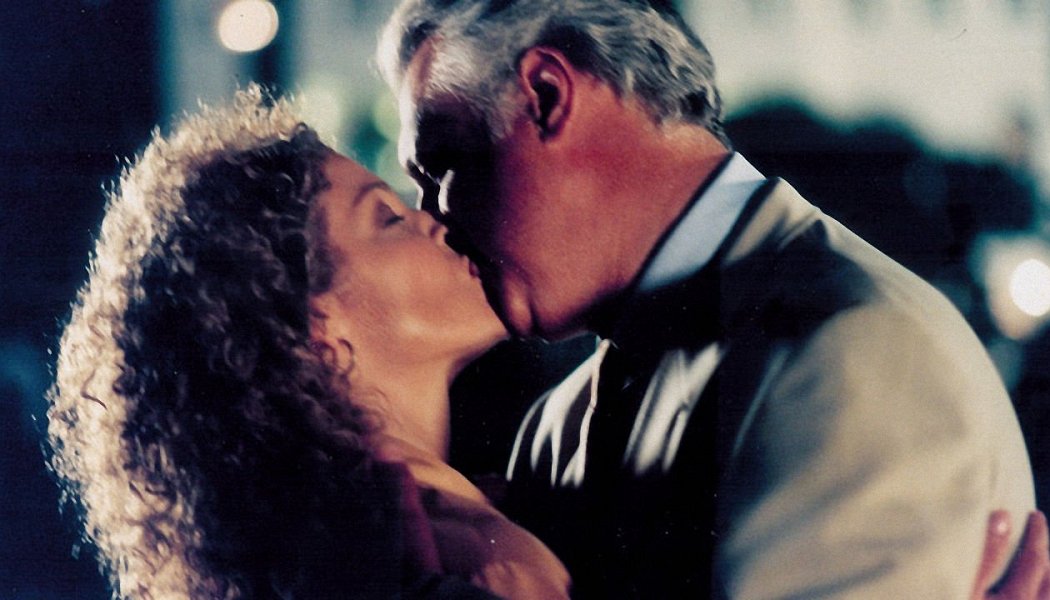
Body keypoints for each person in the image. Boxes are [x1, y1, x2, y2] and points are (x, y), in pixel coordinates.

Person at [378, 1, 1044, 597]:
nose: (432, 216)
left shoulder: (852, 349)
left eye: (441, 164)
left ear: (547, 95)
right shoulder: (558, 425)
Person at [46, 86, 569, 599]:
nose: (434, 222)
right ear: (316, 331)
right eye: (389, 219)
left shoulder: (384, 539)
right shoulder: (468, 559)